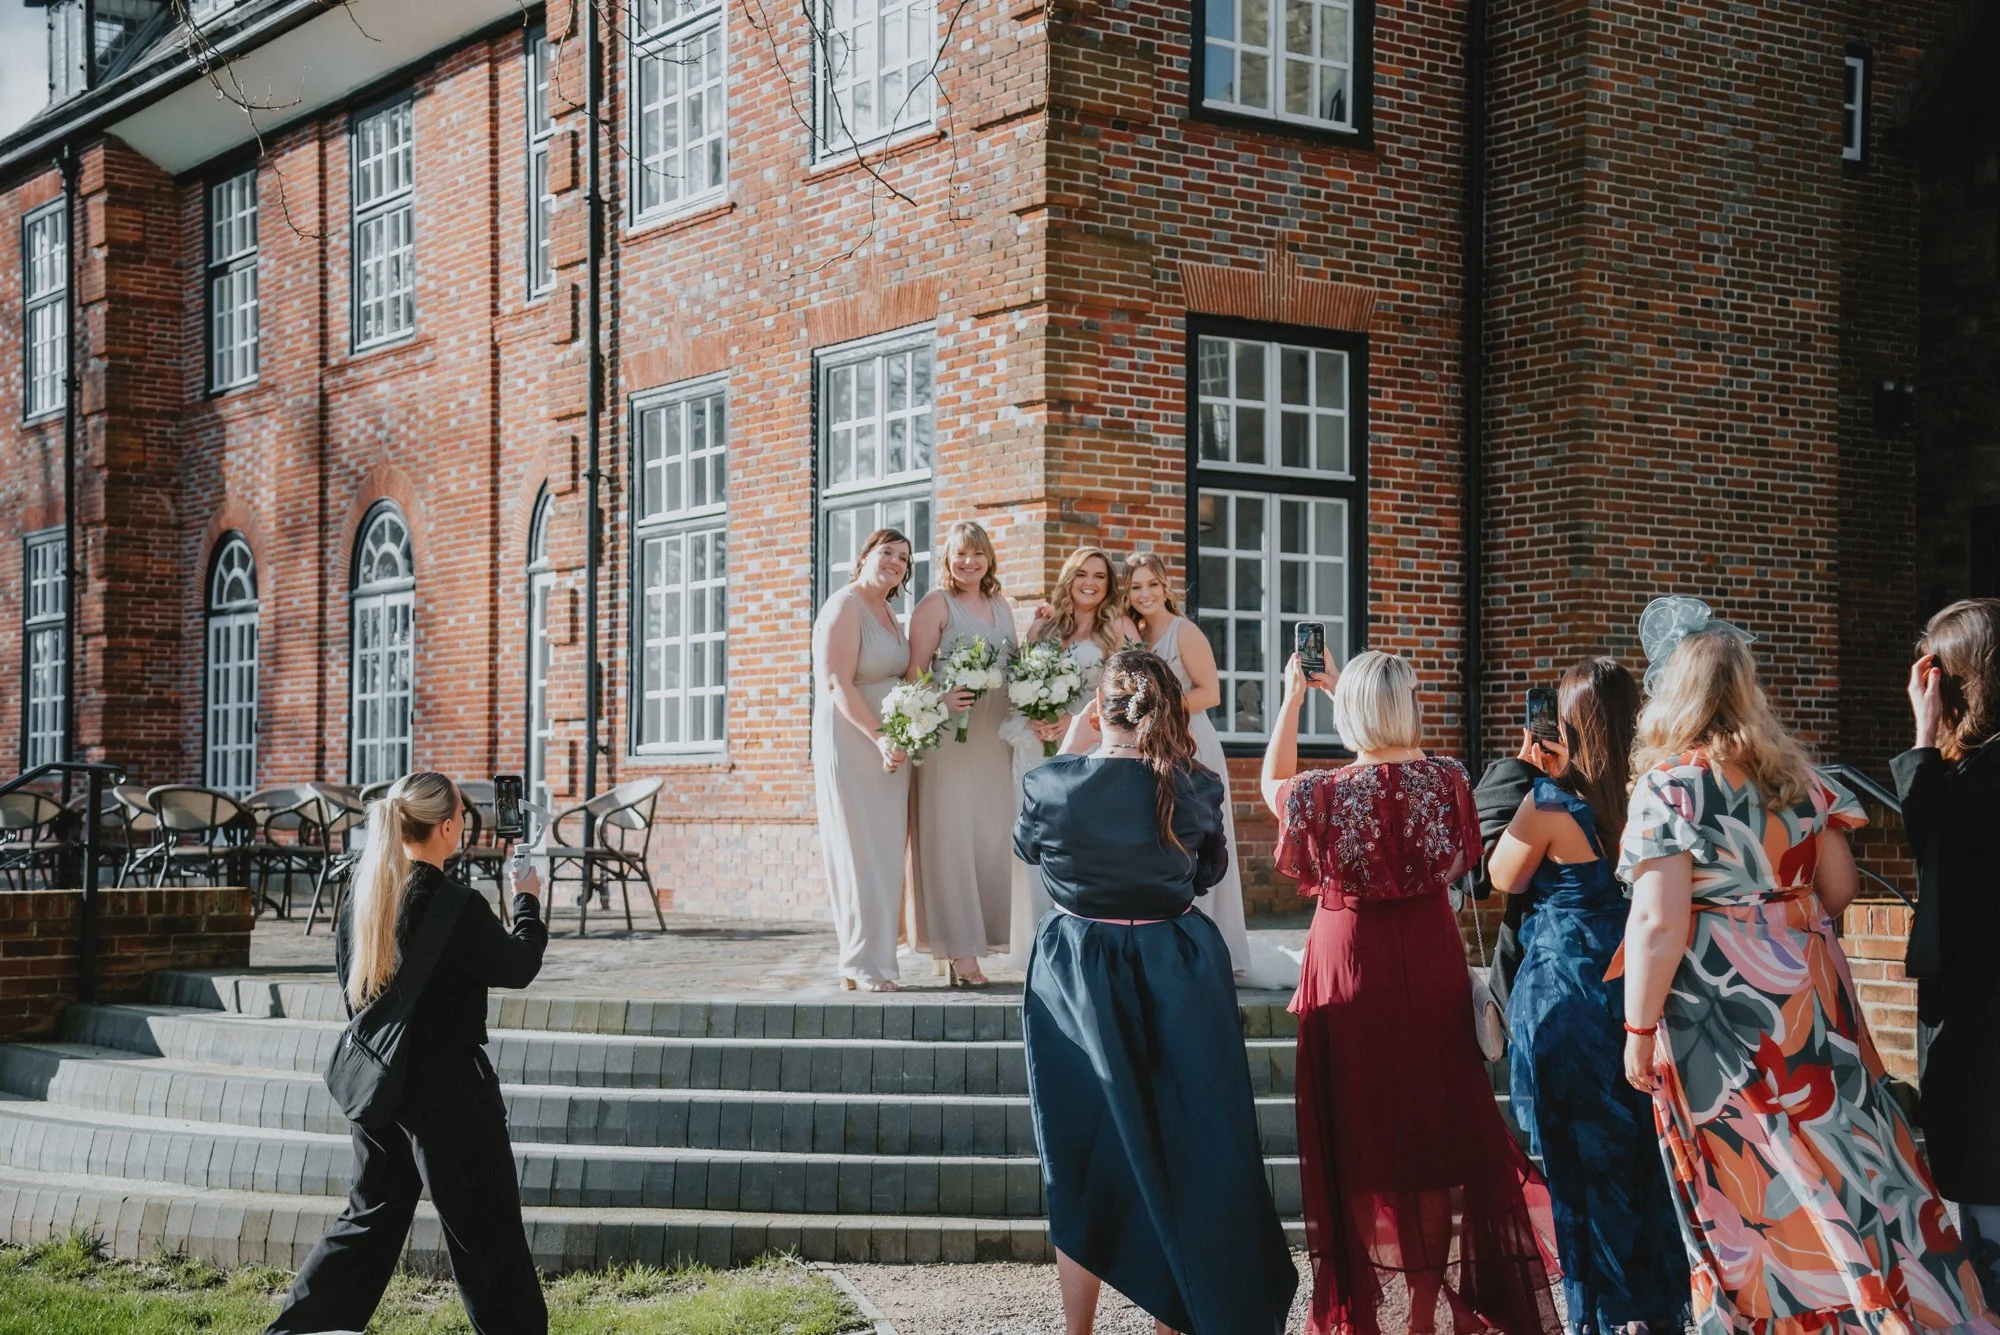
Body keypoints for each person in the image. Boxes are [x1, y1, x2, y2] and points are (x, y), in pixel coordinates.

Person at [1617, 596, 1998, 1335]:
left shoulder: (1670, 786)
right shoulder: (1798, 777)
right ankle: (1900, 1303)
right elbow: (1841, 889)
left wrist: (1637, 1027)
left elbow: (1658, 922)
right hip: (1811, 1004)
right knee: (1842, 1167)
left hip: (1720, 1019)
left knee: (1752, 1184)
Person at [1263, 650, 1558, 1335]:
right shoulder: (1448, 779)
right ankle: (1422, 1312)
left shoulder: (1319, 792)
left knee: (1358, 1143)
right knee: (1431, 1141)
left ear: (1350, 714)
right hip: (1429, 960)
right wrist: (1365, 703)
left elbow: (1270, 780)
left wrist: (1294, 697)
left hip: (1350, 962)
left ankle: (1365, 1310)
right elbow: (1412, 771)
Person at [1016, 649, 1297, 1335]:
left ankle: (1077, 1328)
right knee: (1191, 1141)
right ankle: (1175, 1318)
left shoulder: (1049, 783)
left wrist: (1073, 748)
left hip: (1078, 975)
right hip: (1178, 967)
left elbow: (1028, 849)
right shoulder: (1197, 784)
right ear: (1169, 709)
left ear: (1099, 709)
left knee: (1077, 1150)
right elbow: (1205, 874)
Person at [266, 771, 549, 1335]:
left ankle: (296, 1331)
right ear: (446, 828)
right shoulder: (455, 906)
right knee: (487, 1238)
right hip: (451, 1095)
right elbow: (518, 966)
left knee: (368, 1218)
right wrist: (527, 902)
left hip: (381, 1085)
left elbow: (354, 990)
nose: (465, 826)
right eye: (462, 819)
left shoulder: (361, 897)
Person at [1487, 658, 1687, 1335]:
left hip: (1568, 998)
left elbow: (1500, 873)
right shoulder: (1655, 792)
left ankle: (1606, 1318)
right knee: (1641, 1156)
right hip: (1635, 991)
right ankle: (1657, 1307)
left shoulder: (1550, 804)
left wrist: (1529, 771)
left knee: (1579, 1163)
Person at [1898, 599, 2000, 1307]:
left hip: (1976, 1014)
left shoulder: (1975, 783)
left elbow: (1930, 853)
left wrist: (1923, 735)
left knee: (1979, 1171)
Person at [998, 546, 1139, 974]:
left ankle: (1080, 937)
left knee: (1076, 837)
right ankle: (1031, 942)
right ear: (1069, 578)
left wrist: (1071, 718)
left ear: (1108, 584)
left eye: (1099, 575)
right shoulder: (1048, 624)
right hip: (1033, 740)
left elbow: (1129, 688)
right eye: (1082, 573)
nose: (1090, 582)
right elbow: (1022, 678)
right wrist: (1039, 716)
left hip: (1092, 739)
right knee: (1036, 831)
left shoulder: (1118, 626)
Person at [1126, 553, 1249, 975]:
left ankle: (1219, 947)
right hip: (1153, 750)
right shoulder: (1135, 634)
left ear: (1165, 588)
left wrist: (1158, 707)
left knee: (1201, 840)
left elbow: (1211, 693)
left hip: (1192, 742)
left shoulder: (1184, 631)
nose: (1144, 594)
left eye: (1152, 585)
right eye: (1136, 586)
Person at [907, 520, 1018, 988]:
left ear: (988, 558)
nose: (968, 562)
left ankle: (983, 938)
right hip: (950, 742)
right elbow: (911, 674)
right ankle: (958, 950)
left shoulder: (1000, 604)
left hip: (995, 740)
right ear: (947, 560)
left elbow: (1015, 664)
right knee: (950, 842)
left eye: (976, 554)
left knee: (990, 841)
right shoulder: (936, 604)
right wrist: (941, 699)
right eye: (959, 555)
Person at [812, 529, 915, 992]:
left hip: (890, 745)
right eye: (887, 552)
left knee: (885, 853)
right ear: (865, 556)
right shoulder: (845, 605)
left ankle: (864, 959)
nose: (895, 562)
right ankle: (863, 963)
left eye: (904, 558)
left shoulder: (890, 611)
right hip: (856, 743)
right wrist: (878, 739)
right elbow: (837, 684)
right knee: (859, 852)